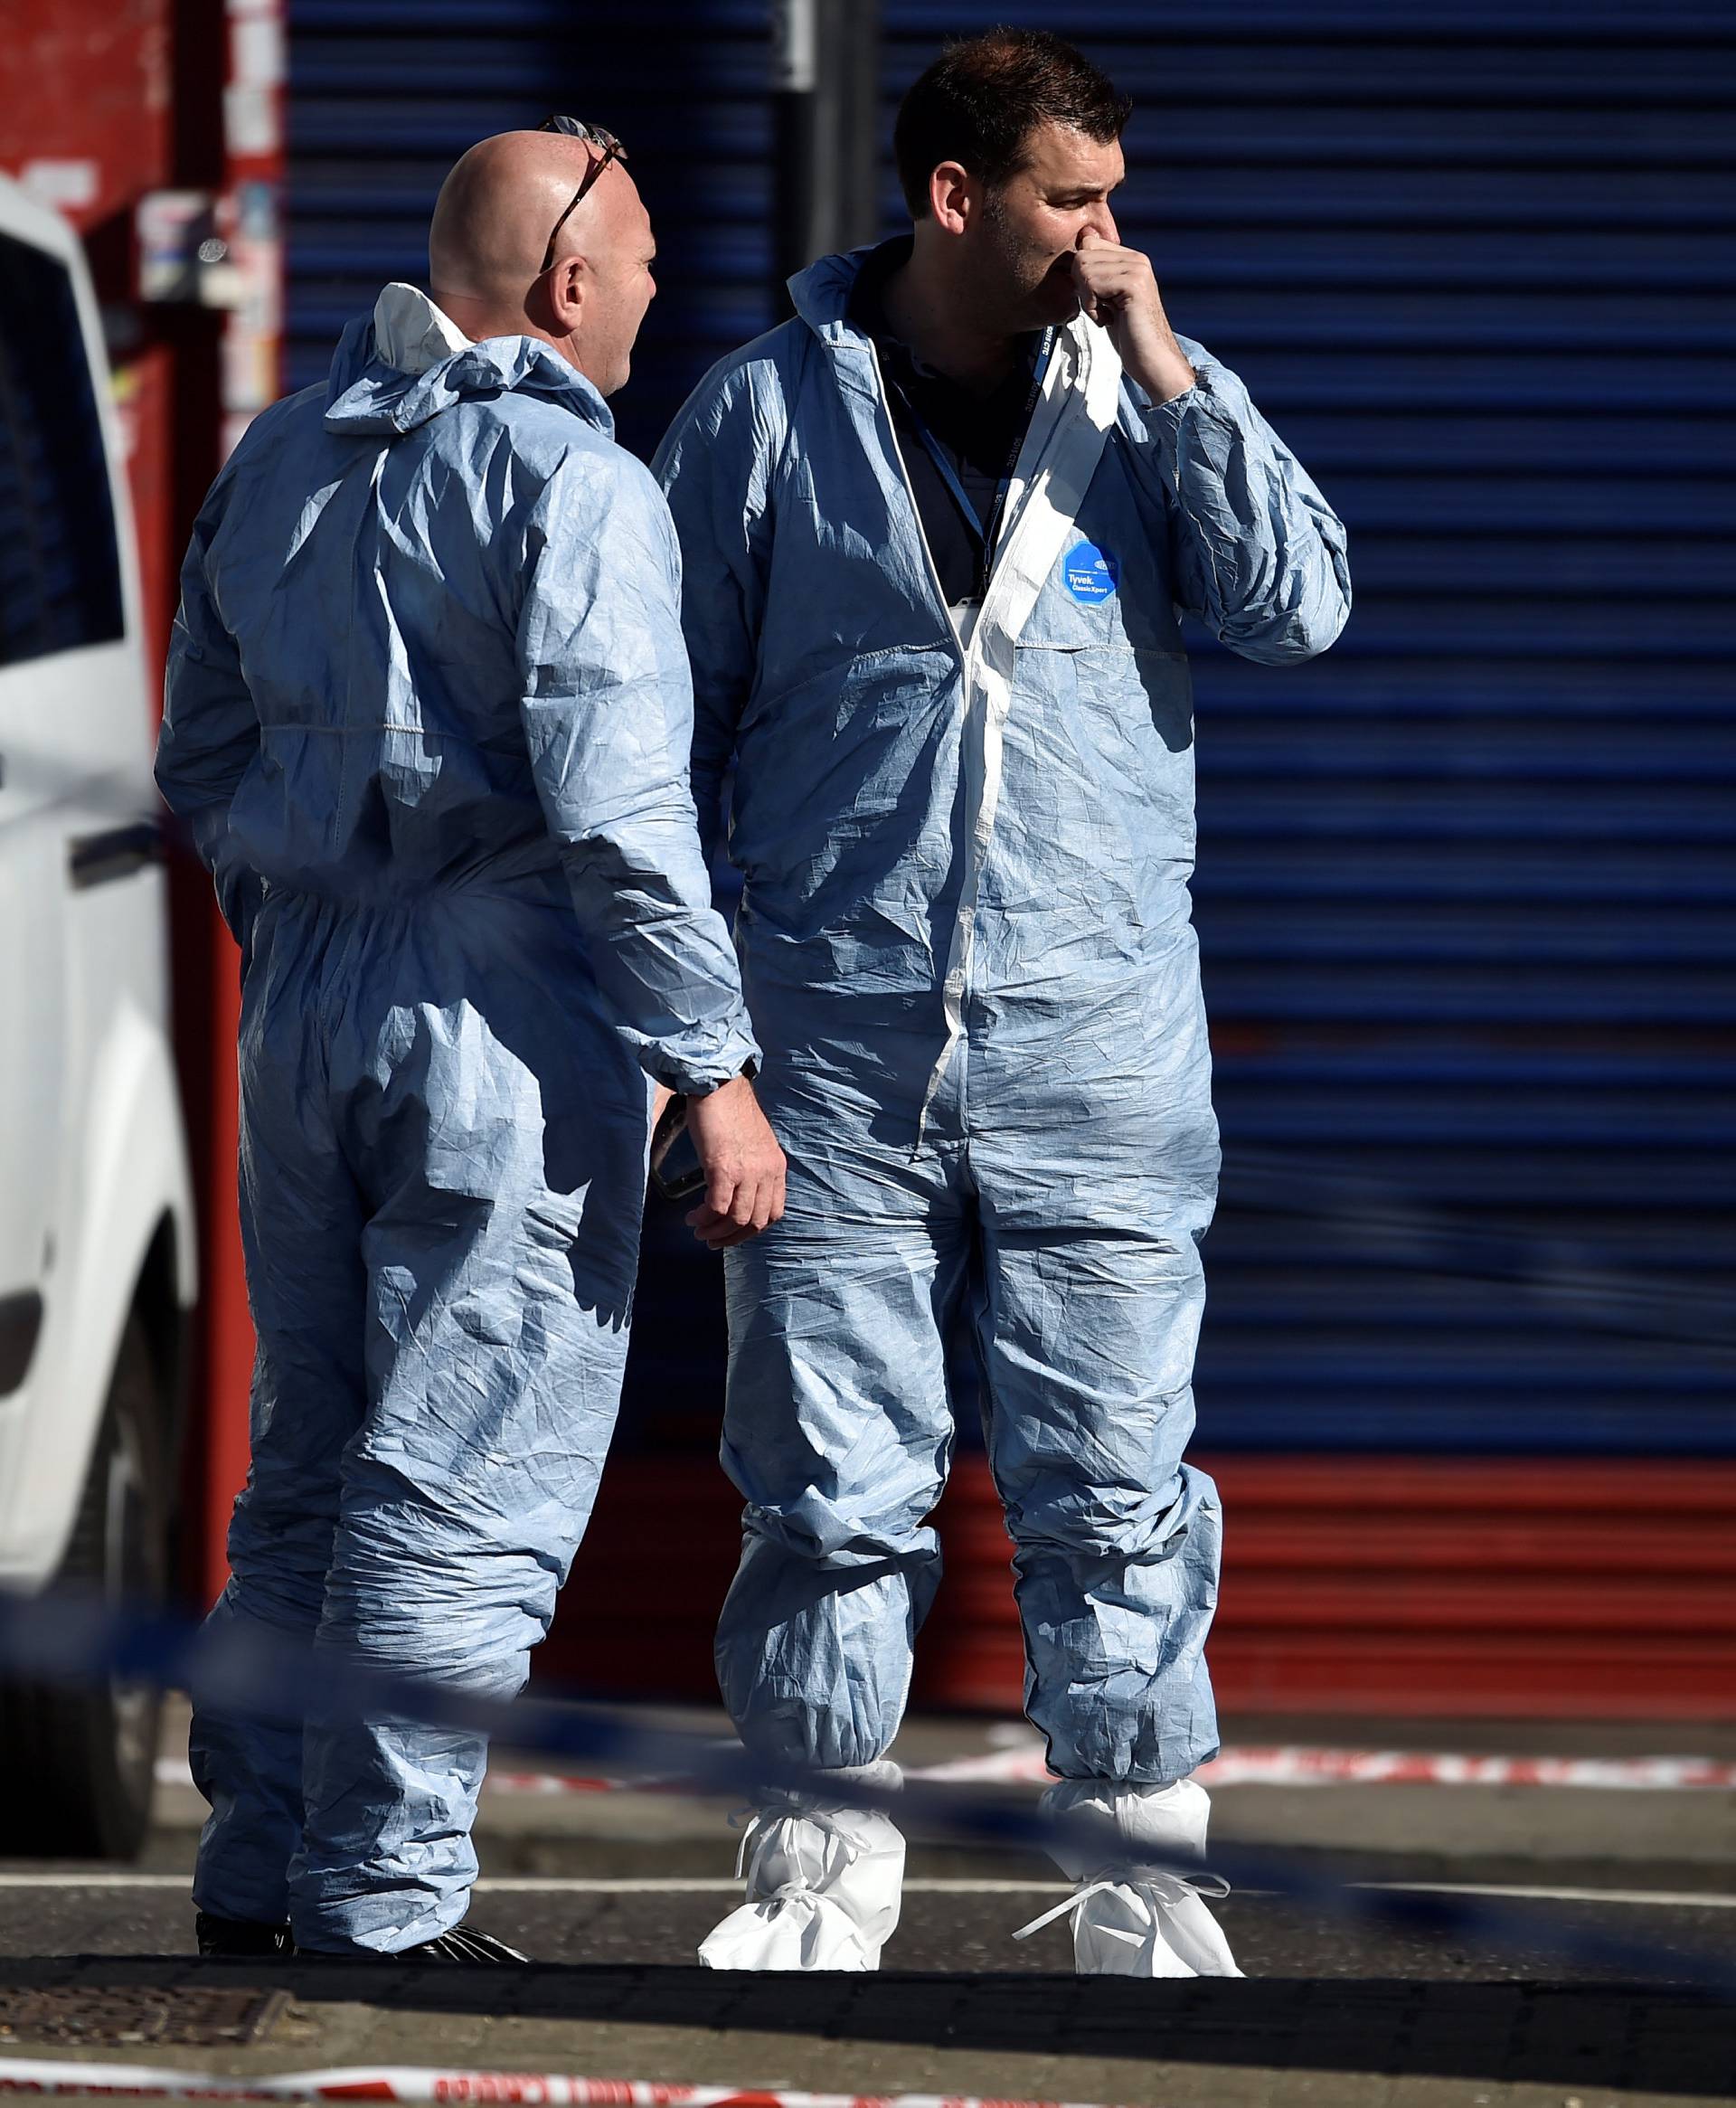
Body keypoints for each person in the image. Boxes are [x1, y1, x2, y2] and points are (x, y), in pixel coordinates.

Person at [655, 30, 1350, 1977]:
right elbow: (656, 738)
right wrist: (704, 1041)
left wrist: (1173, 367)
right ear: (957, 198)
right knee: (825, 1484)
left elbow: (1300, 604)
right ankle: (818, 1876)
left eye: (1119, 199)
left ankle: (1145, 1883)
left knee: (1116, 1485)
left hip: (1099, 1046)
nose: (1110, 235)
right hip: (839, 1053)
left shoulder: (1138, 395)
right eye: (1076, 200)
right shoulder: (764, 415)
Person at [156, 120, 784, 1961]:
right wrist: (719, 1065)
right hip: (503, 1017)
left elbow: (199, 747)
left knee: (315, 1454)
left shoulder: (280, 452)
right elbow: (620, 815)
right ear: (568, 284)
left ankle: (259, 1865)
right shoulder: (569, 487)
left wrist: (302, 927)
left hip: (308, 1009)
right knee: (468, 1462)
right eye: (649, 259)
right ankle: (384, 1895)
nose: (663, 288)